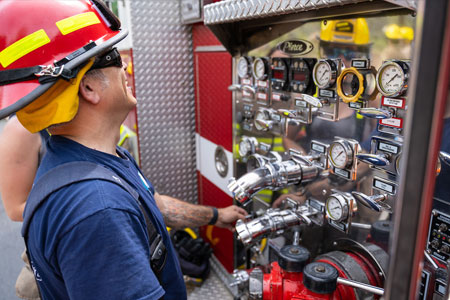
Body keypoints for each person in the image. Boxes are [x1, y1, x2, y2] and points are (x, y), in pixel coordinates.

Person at [0, 1, 246, 299]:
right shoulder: (97, 210)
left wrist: (215, 215)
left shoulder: (93, 159)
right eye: (112, 55)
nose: (125, 65)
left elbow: (152, 205)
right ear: (88, 89)